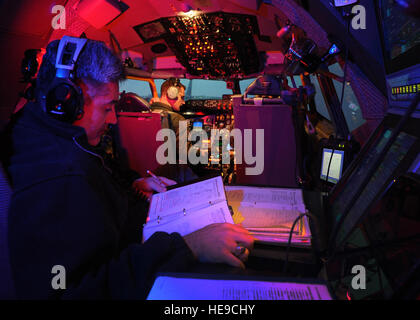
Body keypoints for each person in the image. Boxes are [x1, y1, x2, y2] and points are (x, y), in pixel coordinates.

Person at [5, 37, 254, 299]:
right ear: (65, 102)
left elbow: (99, 209)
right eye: (107, 108)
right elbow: (74, 291)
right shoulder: (58, 177)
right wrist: (189, 247)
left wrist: (133, 187)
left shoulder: (57, 141)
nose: (113, 119)